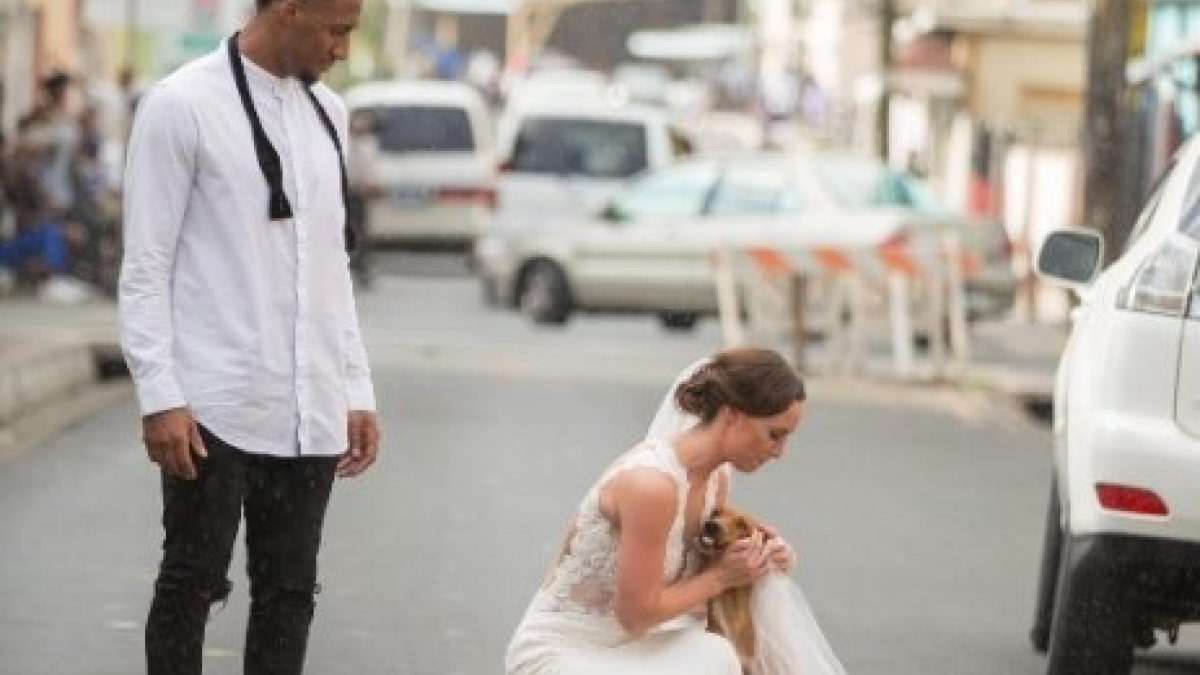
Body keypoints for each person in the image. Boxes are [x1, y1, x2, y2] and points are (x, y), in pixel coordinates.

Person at [118, 1, 380, 674]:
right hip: (212, 402)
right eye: (336, 29)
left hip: (308, 406)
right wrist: (159, 393)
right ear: (288, 9)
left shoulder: (331, 115)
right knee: (190, 583)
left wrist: (354, 385)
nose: (343, 49)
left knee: (290, 593)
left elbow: (331, 266)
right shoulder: (181, 105)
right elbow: (145, 265)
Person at [506, 347, 805, 675]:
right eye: (774, 435)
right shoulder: (652, 486)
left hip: (638, 646)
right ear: (732, 414)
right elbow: (635, 615)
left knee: (716, 653)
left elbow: (700, 582)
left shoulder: (715, 478)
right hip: (564, 652)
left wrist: (760, 558)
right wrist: (720, 576)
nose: (779, 452)